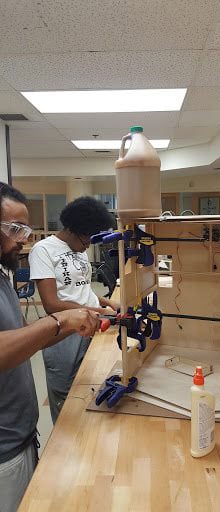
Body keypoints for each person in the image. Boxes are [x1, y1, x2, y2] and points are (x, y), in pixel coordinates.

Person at [0, 182, 101, 512]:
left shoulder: (3, 278)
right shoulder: (45, 253)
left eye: (25, 228)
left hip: (21, 434)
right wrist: (60, 322)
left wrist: (80, 317)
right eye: (14, 228)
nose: (24, 238)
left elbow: (21, 338)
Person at [29, 196, 118, 423]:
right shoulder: (43, 250)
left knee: (87, 386)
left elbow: (78, 288)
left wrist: (105, 303)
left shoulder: (77, 247)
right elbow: (52, 304)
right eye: (87, 238)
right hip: (64, 333)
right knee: (65, 395)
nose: (88, 245)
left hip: (90, 320)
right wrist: (95, 311)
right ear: (72, 229)